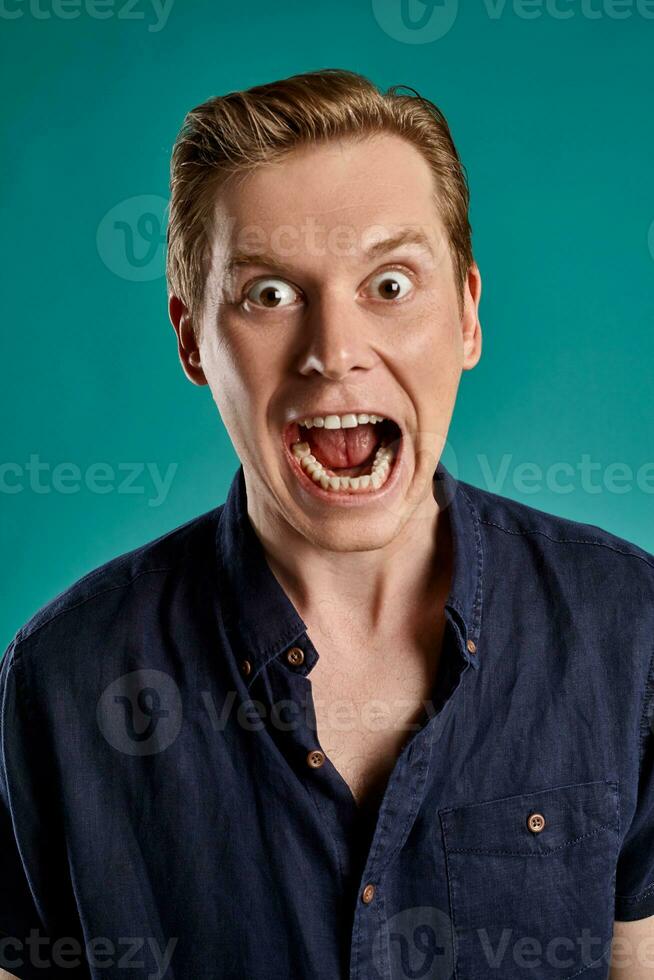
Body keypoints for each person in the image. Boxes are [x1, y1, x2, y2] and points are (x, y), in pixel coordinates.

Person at [1, 68, 652, 980]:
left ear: (468, 314)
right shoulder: (62, 677)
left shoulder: (630, 626)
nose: (334, 351)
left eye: (390, 283)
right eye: (269, 295)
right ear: (193, 340)